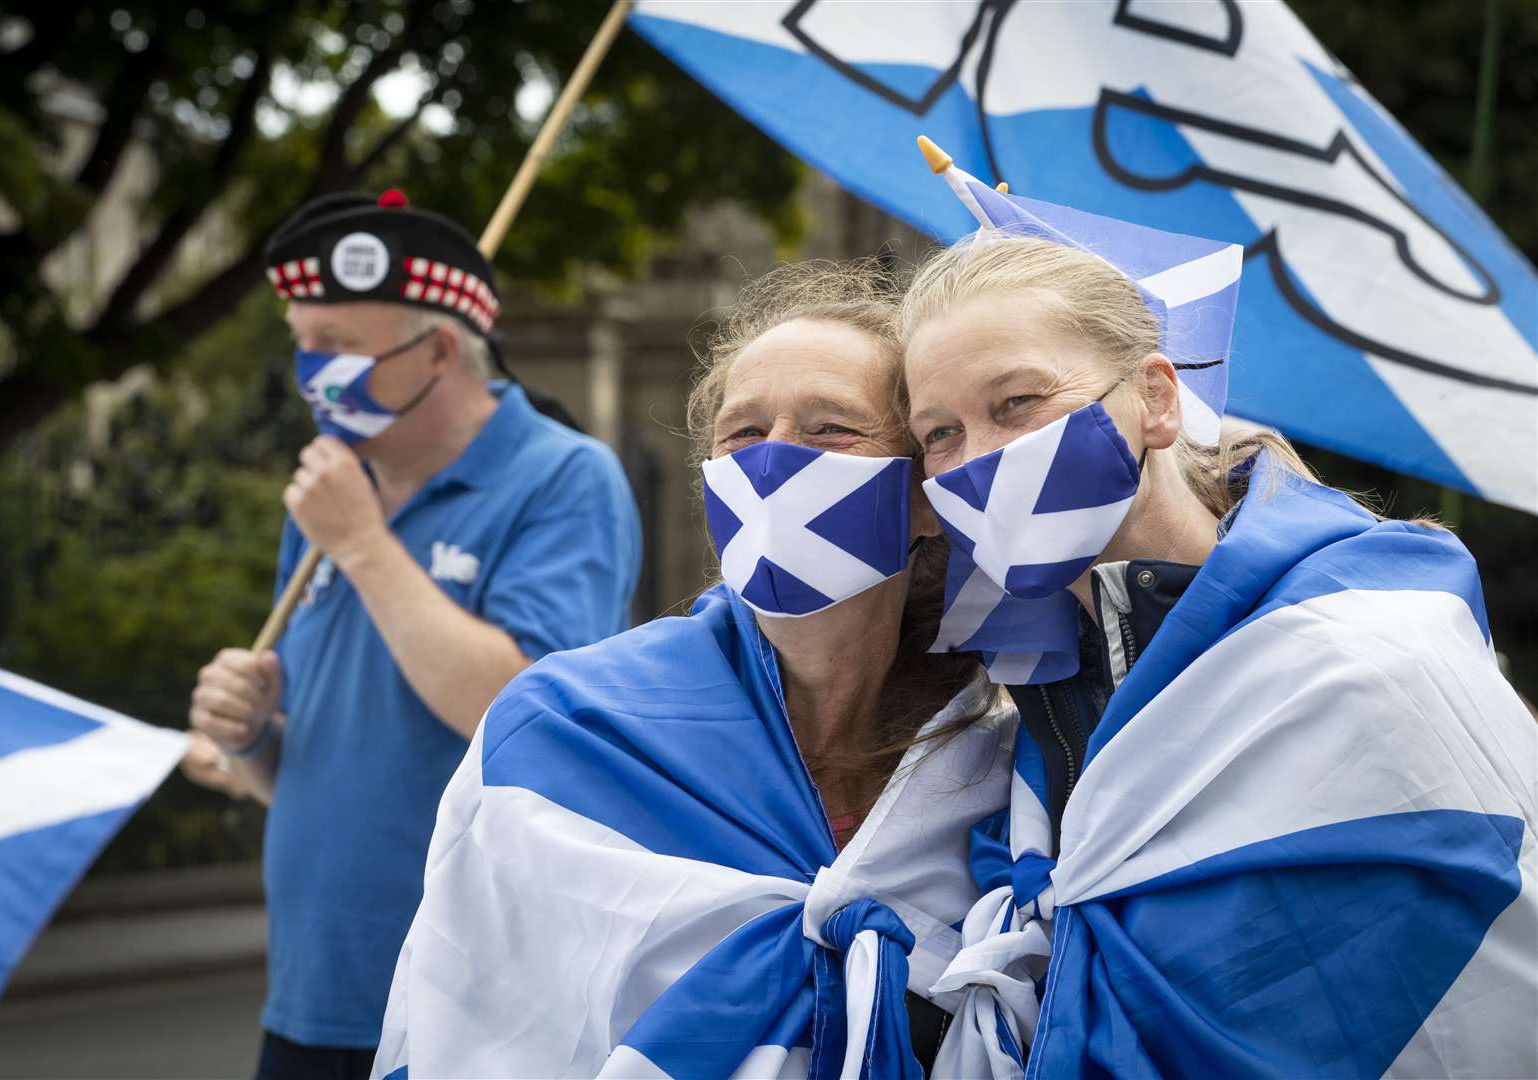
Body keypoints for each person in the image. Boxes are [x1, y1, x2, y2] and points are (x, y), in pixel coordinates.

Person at [898, 186, 1537, 1077]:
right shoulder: (1026, 711)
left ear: (1157, 400)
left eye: (1017, 403)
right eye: (940, 433)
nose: (978, 461)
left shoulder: (1362, 651)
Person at [373, 261, 1011, 1079]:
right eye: (743, 433)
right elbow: (463, 1025)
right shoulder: (562, 730)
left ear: (924, 496)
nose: (774, 461)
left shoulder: (995, 763)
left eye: (830, 429)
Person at [183, 189, 642, 1079]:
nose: (310, 371)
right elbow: (310, 770)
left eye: (338, 347)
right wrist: (247, 739)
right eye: (301, 343)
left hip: (474, 1016)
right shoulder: (330, 487)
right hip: (311, 999)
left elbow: (524, 718)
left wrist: (361, 541)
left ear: (438, 350)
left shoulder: (563, 480)